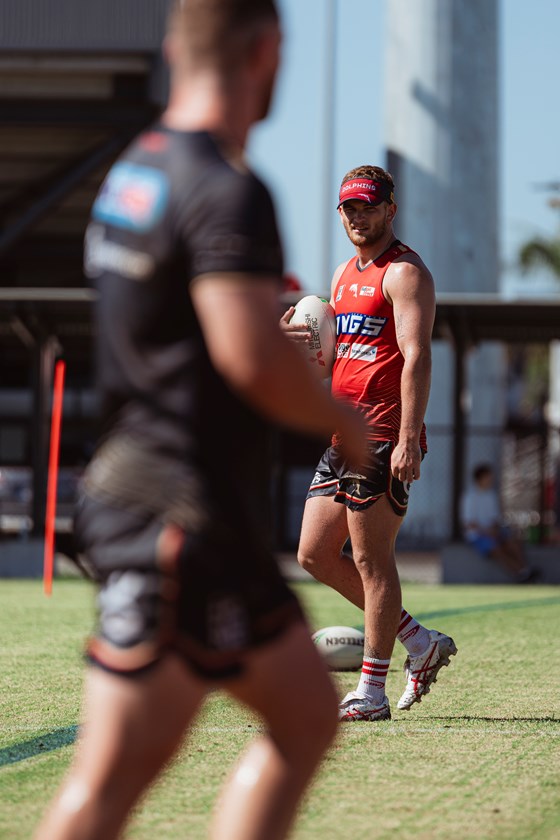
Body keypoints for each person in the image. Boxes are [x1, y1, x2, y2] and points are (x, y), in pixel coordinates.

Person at [34, 3, 368, 839]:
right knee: (110, 780)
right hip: (173, 521)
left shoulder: (133, 171)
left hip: (196, 515)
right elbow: (247, 357)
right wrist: (346, 421)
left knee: (303, 715)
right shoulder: (228, 189)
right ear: (267, 51)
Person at [282, 165, 457, 722]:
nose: (359, 217)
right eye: (349, 208)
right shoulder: (340, 275)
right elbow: (335, 360)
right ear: (341, 214)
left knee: (370, 559)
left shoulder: (404, 272)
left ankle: (371, 692)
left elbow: (417, 356)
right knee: (312, 552)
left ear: (390, 209)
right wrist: (301, 346)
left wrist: (408, 439)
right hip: (343, 434)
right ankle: (420, 641)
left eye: (368, 206)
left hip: (384, 434)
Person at [461, 463, 537, 582]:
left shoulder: (491, 495)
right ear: (479, 478)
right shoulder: (470, 497)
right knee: (497, 549)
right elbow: (470, 523)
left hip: (493, 532)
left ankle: (525, 569)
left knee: (512, 542)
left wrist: (495, 530)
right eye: (488, 477)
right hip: (477, 535)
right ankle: (520, 574)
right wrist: (488, 532)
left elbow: (495, 519)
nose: (491, 480)